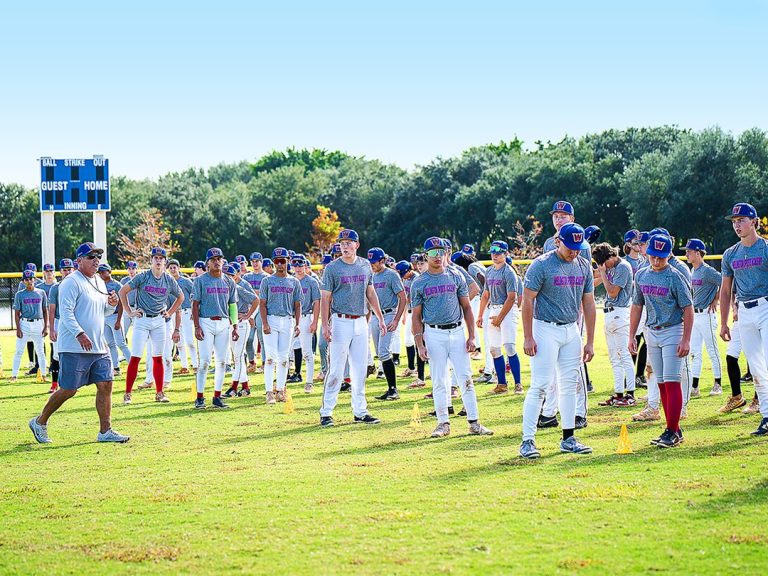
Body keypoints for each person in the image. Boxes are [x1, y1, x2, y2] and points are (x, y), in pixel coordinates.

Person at [28, 242, 128, 444]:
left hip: (98, 346)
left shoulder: (99, 281)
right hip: (74, 345)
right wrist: (79, 333)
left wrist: (112, 305)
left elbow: (102, 312)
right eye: (91, 257)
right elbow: (66, 313)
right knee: (69, 389)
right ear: (79, 261)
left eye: (98, 256)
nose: (96, 260)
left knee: (106, 384)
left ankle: (105, 431)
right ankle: (39, 421)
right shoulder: (71, 282)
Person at [519, 223, 596, 459]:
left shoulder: (583, 266)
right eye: (570, 247)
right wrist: (528, 336)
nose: (574, 252)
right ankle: (527, 440)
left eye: (578, 247)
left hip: (570, 330)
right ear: (557, 242)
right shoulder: (542, 264)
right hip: (545, 328)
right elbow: (527, 300)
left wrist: (589, 340)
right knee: (541, 385)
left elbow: (590, 303)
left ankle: (568, 437)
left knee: (569, 384)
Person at [410, 236, 493, 438]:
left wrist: (472, 335)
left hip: (456, 331)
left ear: (446, 253)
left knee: (465, 378)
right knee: (439, 379)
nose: (437, 257)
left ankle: (474, 422)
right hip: (434, 332)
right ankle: (443, 423)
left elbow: (466, 307)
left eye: (440, 252)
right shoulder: (419, 283)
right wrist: (419, 344)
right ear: (426, 255)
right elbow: (416, 316)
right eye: (432, 253)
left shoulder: (455, 275)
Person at [629, 233, 693, 448]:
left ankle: (671, 431)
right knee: (661, 382)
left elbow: (688, 308)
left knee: (672, 380)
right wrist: (631, 335)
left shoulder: (674, 276)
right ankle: (673, 429)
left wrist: (685, 339)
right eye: (653, 256)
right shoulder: (642, 275)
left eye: (661, 257)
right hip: (651, 331)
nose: (656, 261)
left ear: (669, 255)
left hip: (673, 329)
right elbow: (637, 305)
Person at [319, 229, 385, 427]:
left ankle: (360, 411)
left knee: (360, 369)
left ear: (357, 244)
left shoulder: (365, 265)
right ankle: (326, 412)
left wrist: (380, 317)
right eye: (342, 243)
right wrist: (325, 325)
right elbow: (325, 298)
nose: (345, 246)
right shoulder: (332, 268)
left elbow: (370, 292)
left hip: (360, 321)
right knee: (336, 370)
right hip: (340, 321)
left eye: (349, 242)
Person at [718, 203, 768, 435]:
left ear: (754, 222)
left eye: (741, 220)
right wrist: (724, 322)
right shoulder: (730, 253)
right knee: (757, 368)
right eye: (734, 221)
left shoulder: (765, 248)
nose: (737, 225)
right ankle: (766, 417)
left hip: (766, 306)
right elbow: (726, 290)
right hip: (745, 312)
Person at [119, 248, 183, 404]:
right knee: (135, 357)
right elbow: (122, 292)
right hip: (142, 320)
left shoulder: (168, 279)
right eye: (156, 258)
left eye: (161, 258)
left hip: (159, 320)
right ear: (152, 260)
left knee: (158, 357)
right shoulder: (143, 276)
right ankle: (128, 393)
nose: (159, 260)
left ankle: (159, 393)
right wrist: (130, 311)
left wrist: (169, 312)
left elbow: (180, 296)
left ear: (165, 262)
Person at [191, 248, 239, 409]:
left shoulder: (229, 281)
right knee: (204, 361)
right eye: (213, 259)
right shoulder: (200, 280)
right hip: (206, 321)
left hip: (224, 322)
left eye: (219, 259)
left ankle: (217, 396)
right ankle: (199, 397)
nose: (217, 261)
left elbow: (232, 305)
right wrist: (197, 326)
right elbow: (195, 304)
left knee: (222, 362)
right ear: (208, 263)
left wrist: (235, 326)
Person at [592, 242, 637, 406]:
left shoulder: (623, 267)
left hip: (620, 313)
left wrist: (603, 273)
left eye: (604, 262)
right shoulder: (608, 266)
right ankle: (619, 394)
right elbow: (595, 279)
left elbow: (612, 291)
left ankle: (630, 394)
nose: (603, 266)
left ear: (611, 256)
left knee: (624, 355)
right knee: (614, 358)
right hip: (610, 314)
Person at [476, 240, 521, 395]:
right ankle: (501, 384)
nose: (495, 255)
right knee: (494, 349)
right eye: (493, 252)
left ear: (505, 254)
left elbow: (511, 298)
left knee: (509, 346)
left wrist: (499, 318)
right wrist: (480, 314)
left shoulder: (509, 272)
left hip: (508, 310)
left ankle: (518, 384)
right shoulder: (489, 271)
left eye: (498, 252)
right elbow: (486, 294)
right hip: (494, 309)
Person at [259, 248, 302, 404]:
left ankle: (280, 390)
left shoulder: (294, 281)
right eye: (276, 261)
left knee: (284, 358)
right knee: (270, 358)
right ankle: (269, 391)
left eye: (282, 261)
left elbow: (298, 305)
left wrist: (298, 324)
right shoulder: (267, 281)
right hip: (271, 319)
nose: (279, 264)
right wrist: (264, 323)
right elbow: (262, 304)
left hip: (287, 320)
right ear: (273, 262)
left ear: (287, 261)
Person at [684, 239, 723, 397]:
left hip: (707, 314)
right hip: (695, 315)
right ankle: (695, 387)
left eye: (689, 251)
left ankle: (718, 384)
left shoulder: (707, 270)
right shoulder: (693, 270)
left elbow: (724, 281)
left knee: (712, 350)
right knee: (695, 352)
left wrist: (716, 299)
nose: (686, 254)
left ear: (698, 253)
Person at [367, 247, 407, 400]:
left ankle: (393, 389)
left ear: (383, 260)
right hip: (375, 317)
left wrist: (396, 319)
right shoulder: (370, 276)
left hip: (389, 314)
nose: (372, 265)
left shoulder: (391, 275)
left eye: (374, 262)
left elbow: (403, 298)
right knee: (380, 353)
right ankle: (390, 389)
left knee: (383, 351)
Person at [222, 262, 259, 398]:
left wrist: (248, 315)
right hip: (229, 324)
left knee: (238, 356)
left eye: (230, 275)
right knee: (236, 357)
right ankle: (245, 387)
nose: (227, 278)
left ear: (235, 276)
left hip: (241, 324)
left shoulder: (238, 288)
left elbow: (255, 300)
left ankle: (233, 387)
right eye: (225, 275)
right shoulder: (220, 289)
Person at [11, 270, 48, 381]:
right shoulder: (19, 294)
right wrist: (18, 329)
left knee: (40, 351)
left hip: (38, 323)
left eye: (31, 278)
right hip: (25, 323)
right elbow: (17, 313)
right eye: (26, 279)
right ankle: (14, 375)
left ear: (35, 279)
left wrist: (46, 327)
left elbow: (45, 310)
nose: (29, 281)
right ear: (23, 281)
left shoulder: (41, 292)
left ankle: (43, 375)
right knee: (19, 351)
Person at [292, 256, 321, 393]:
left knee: (307, 352)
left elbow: (316, 302)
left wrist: (315, 321)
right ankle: (282, 386)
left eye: (300, 265)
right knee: (287, 353)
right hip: (290, 318)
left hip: (305, 316)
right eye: (295, 265)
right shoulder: (289, 280)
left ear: (305, 266)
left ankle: (309, 382)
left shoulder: (311, 282)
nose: (298, 268)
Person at [47, 258, 75, 393]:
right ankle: (54, 383)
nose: (67, 272)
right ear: (60, 271)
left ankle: (71, 383)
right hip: (60, 321)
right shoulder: (56, 287)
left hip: (75, 321)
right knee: (57, 354)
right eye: (65, 270)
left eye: (69, 269)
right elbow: (52, 309)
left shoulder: (78, 284)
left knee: (74, 352)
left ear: (73, 269)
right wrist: (51, 328)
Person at [98, 263, 131, 375]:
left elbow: (121, 303)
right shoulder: (99, 284)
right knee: (110, 343)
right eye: (100, 272)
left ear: (109, 272)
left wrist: (118, 320)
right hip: (104, 316)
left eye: (104, 271)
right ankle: (116, 368)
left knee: (121, 343)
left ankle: (133, 365)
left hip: (115, 316)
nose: (101, 274)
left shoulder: (116, 285)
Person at [168, 258, 197, 375]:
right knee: (179, 341)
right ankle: (184, 366)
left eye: (175, 267)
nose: (173, 269)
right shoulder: (167, 281)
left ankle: (196, 365)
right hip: (173, 313)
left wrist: (194, 311)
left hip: (186, 312)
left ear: (179, 268)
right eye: (170, 268)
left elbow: (195, 295)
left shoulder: (185, 281)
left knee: (190, 341)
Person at [243, 252, 269, 373]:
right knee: (248, 338)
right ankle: (252, 362)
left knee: (262, 337)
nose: (255, 263)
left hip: (262, 308)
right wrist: (256, 293)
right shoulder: (246, 277)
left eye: (257, 261)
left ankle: (264, 363)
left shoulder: (267, 277)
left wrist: (253, 293)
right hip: (250, 308)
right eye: (253, 261)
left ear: (261, 262)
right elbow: (244, 293)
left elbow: (264, 295)